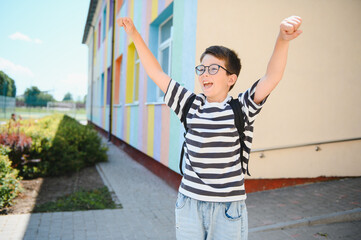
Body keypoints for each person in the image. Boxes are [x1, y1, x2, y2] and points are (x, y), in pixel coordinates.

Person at [117, 15, 302, 240]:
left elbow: (272, 77)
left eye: (213, 69)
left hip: (228, 208)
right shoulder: (189, 104)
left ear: (230, 79)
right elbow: (157, 73)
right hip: (189, 204)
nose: (205, 73)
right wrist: (134, 35)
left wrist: (282, 40)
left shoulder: (241, 107)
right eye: (202, 68)